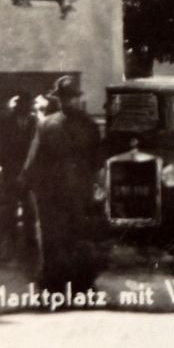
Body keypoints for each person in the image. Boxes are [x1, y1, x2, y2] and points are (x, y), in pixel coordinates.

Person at [22, 77, 102, 292]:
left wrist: (30, 186)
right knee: (76, 235)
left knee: (54, 237)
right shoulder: (89, 125)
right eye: (70, 98)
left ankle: (55, 285)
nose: (70, 102)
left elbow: (33, 162)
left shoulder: (47, 124)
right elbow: (98, 161)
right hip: (75, 190)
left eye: (70, 98)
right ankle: (81, 284)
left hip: (54, 192)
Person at [0, 94, 37, 252]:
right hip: (11, 170)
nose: (27, 107)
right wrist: (6, 169)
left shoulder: (34, 122)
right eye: (24, 104)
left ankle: (29, 241)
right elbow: (0, 146)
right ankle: (11, 240)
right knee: (10, 207)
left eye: (29, 104)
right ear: (19, 106)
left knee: (29, 207)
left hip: (28, 171)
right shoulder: (6, 121)